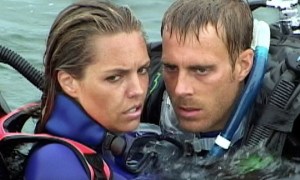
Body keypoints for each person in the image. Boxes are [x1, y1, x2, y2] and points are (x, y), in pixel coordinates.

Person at [143, 0, 300, 159]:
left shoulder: (289, 110)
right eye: (171, 67)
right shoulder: (146, 88)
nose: (179, 89)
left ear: (243, 66)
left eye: (201, 70)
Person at [24, 0, 151, 179]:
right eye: (114, 77)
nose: (137, 90)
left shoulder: (112, 139)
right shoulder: (54, 163)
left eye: (142, 70)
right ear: (69, 83)